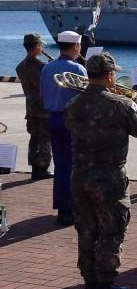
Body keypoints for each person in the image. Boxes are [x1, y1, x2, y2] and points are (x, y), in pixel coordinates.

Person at [64, 53, 137, 289]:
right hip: (109, 177)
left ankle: (90, 282)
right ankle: (104, 283)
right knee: (111, 229)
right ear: (110, 75)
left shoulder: (73, 105)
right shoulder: (119, 104)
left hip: (79, 175)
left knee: (86, 228)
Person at [40, 29, 87, 225]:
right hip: (73, 121)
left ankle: (62, 207)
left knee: (61, 165)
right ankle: (72, 208)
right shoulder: (78, 69)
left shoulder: (46, 68)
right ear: (76, 46)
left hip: (53, 118)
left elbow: (43, 96)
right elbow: (85, 100)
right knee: (76, 166)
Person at [16, 33, 53, 180]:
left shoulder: (20, 66)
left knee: (34, 138)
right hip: (44, 108)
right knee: (45, 139)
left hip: (30, 108)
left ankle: (34, 168)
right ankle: (42, 168)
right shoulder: (42, 66)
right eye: (41, 45)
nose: (42, 47)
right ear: (37, 46)